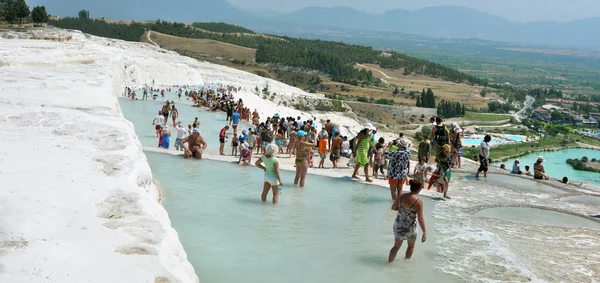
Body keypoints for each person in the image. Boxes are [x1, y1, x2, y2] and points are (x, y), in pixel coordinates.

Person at [388, 180, 427, 262]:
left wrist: (403, 210)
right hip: (410, 228)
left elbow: (393, 207)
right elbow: (421, 219)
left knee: (396, 247)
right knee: (410, 246)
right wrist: (424, 232)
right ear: (419, 189)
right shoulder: (418, 202)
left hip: (398, 225)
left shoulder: (402, 196)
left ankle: (389, 263)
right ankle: (405, 263)